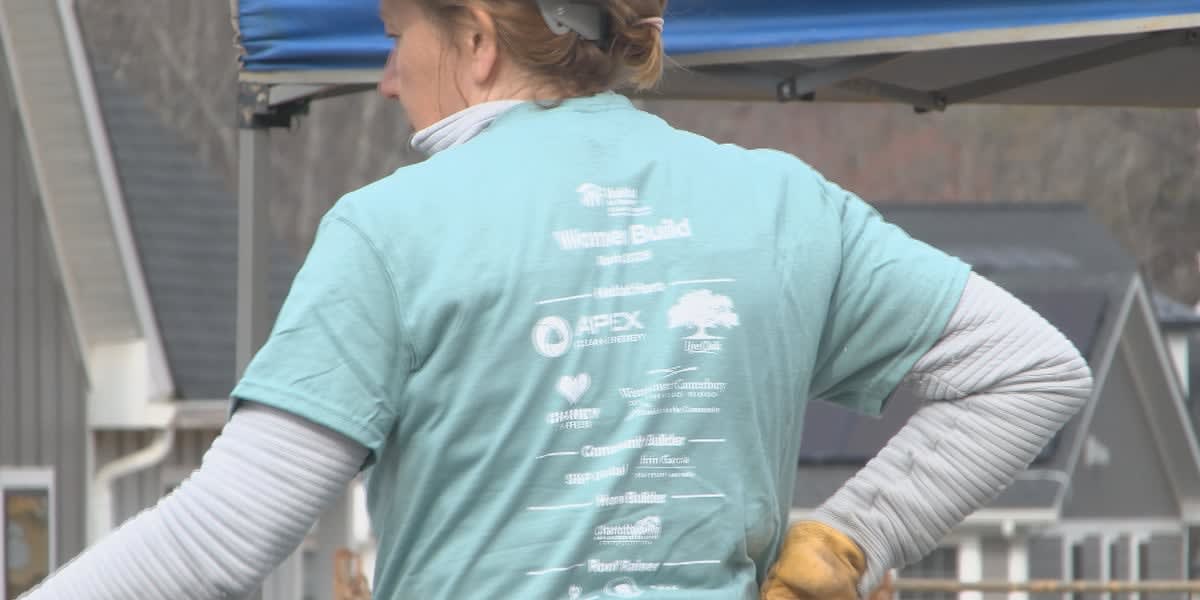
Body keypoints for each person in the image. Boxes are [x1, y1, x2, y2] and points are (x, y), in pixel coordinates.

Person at [23, 1, 1092, 598]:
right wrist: (844, 546)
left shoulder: (391, 229)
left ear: (478, 39)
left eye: (401, 35)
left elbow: (218, 540)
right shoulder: (778, 203)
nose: (389, 75)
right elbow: (1032, 372)